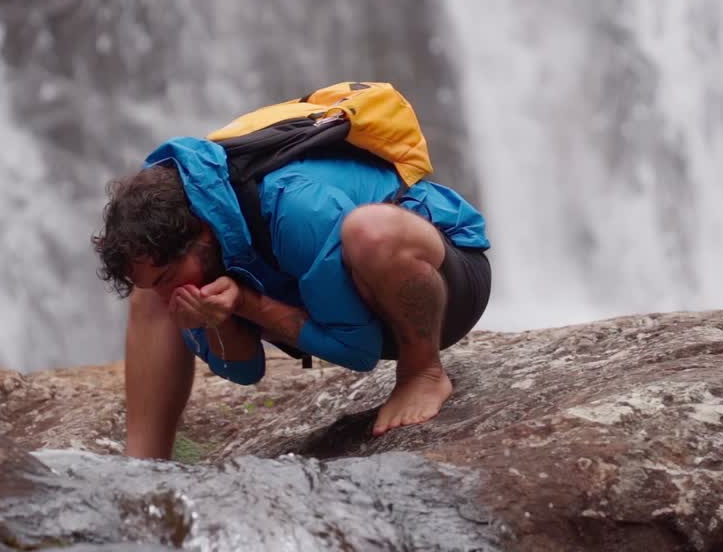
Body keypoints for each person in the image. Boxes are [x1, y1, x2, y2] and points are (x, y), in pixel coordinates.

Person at [92, 135, 491, 459]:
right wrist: (220, 319)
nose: (167, 292)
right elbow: (244, 370)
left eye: (167, 276)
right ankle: (144, 466)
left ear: (203, 235)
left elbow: (358, 350)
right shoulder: (196, 228)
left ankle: (423, 372)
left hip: (442, 285)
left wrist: (248, 304)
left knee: (369, 231)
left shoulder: (293, 208)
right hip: (358, 304)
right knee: (149, 297)